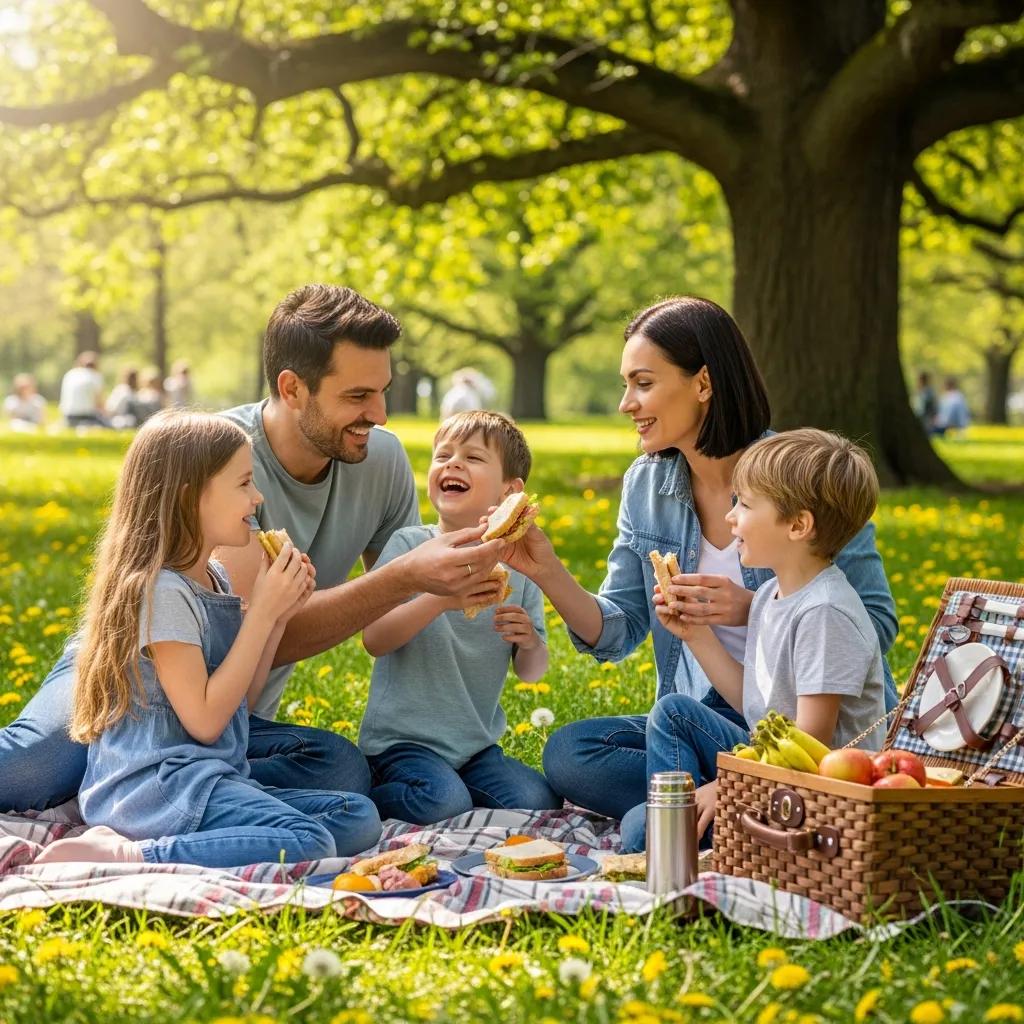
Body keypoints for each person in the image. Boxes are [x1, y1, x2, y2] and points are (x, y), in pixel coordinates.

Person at [0, 284, 507, 814]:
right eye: (357, 397)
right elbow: (254, 630)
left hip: (227, 714)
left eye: (382, 391)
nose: (379, 414)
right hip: (134, 683)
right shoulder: (226, 464)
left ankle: (142, 787)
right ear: (293, 389)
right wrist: (405, 578)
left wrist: (471, 581)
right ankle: (127, 779)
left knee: (340, 769)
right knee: (31, 769)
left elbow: (394, 620)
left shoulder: (381, 460)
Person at [493, 296, 897, 840]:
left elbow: (875, 626)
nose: (626, 404)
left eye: (643, 383)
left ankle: (697, 811)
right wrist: (546, 571)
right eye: (624, 384)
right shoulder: (647, 484)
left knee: (644, 822)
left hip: (798, 733)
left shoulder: (801, 480)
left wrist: (751, 608)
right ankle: (718, 805)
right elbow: (618, 630)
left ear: (702, 384)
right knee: (570, 752)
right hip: (711, 713)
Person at [34, 410, 380, 865]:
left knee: (356, 814)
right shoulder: (163, 591)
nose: (257, 498)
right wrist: (262, 616)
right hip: (156, 787)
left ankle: (198, 844)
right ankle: (131, 855)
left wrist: (274, 618)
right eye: (243, 483)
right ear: (189, 498)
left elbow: (241, 705)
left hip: (208, 775)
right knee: (311, 841)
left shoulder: (212, 578)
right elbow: (204, 721)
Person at [619, 428, 887, 851]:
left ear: (798, 525)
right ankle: (678, 816)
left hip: (820, 801)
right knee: (673, 713)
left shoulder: (825, 613)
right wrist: (696, 636)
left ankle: (678, 830)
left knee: (639, 832)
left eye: (743, 504)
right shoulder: (772, 595)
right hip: (772, 770)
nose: (730, 518)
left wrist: (727, 788)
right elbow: (755, 701)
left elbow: (812, 750)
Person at [359, 410, 561, 824]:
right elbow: (374, 639)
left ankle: (454, 787)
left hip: (474, 748)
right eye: (443, 455)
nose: (452, 464)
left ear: (511, 491)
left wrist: (529, 642)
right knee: (442, 804)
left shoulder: (519, 565)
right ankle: (367, 785)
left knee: (538, 801)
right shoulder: (409, 546)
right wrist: (441, 599)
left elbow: (533, 672)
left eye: (472, 457)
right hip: (401, 744)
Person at [59, 351, 107, 428]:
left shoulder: (69, 374)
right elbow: (100, 403)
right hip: (87, 416)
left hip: (68, 416)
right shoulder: (95, 376)